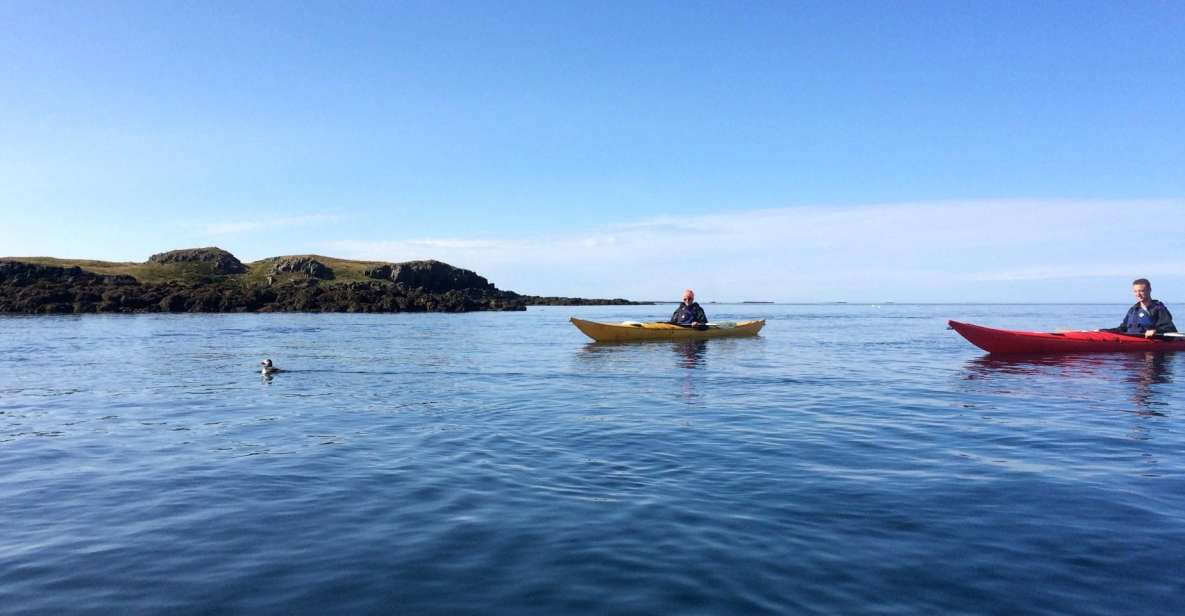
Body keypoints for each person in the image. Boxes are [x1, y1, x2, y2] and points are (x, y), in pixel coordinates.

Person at [1105, 278, 1176, 338]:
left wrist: (1156, 331)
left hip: (1152, 345)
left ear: (1149, 290)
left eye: (1141, 291)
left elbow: (1170, 328)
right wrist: (1104, 331)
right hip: (1131, 342)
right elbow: (1122, 329)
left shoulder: (1158, 308)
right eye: (1135, 291)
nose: (1138, 294)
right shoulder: (1133, 310)